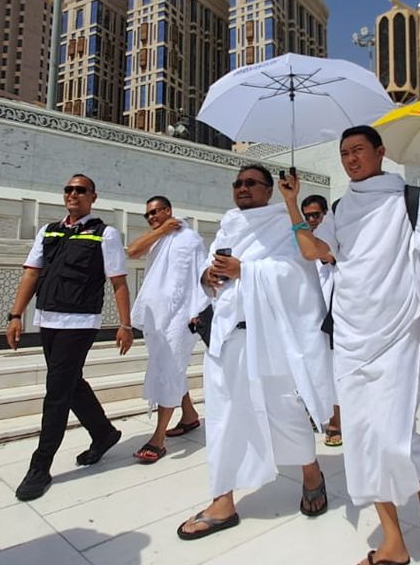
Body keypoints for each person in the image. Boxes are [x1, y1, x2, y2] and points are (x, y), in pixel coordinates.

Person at [284, 126, 420, 565]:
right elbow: (314, 251)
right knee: (362, 437)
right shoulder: (341, 208)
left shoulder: (416, 199)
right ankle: (394, 539)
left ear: (381, 152)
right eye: (344, 153)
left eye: (358, 150)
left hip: (399, 332)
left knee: (393, 435)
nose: (350, 159)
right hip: (352, 336)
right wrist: (290, 201)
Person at [176, 164, 335, 540]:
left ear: (268, 190)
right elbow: (212, 265)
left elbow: (296, 274)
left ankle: (311, 472)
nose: (242, 188)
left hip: (270, 337)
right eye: (237, 183)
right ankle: (223, 499)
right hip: (229, 336)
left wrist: (245, 269)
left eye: (251, 183)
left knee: (285, 409)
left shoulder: (283, 222)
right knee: (224, 416)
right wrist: (208, 276)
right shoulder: (230, 222)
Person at [8, 173, 132, 501]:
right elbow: (32, 273)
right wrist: (15, 314)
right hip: (47, 319)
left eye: (80, 190)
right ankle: (103, 433)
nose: (73, 194)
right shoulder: (49, 231)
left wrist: (125, 325)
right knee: (70, 382)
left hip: (80, 322)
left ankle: (40, 466)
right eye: (68, 190)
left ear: (93, 196)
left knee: (57, 391)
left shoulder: (105, 234)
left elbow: (118, 281)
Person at [126, 195, 209, 463]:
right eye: (147, 215)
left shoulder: (190, 240)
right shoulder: (157, 239)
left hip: (181, 316)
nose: (151, 218)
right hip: (156, 317)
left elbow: (200, 274)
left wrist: (197, 311)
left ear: (168, 210)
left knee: (169, 368)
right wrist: (160, 230)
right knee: (167, 366)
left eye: (155, 213)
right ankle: (189, 415)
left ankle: (158, 438)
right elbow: (131, 251)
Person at [302, 193, 342, 448]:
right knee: (313, 371)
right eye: (307, 216)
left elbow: (327, 256)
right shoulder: (302, 244)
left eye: (316, 215)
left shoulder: (334, 238)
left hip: (337, 319)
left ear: (325, 214)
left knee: (334, 373)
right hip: (309, 320)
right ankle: (317, 413)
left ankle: (335, 422)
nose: (312, 220)